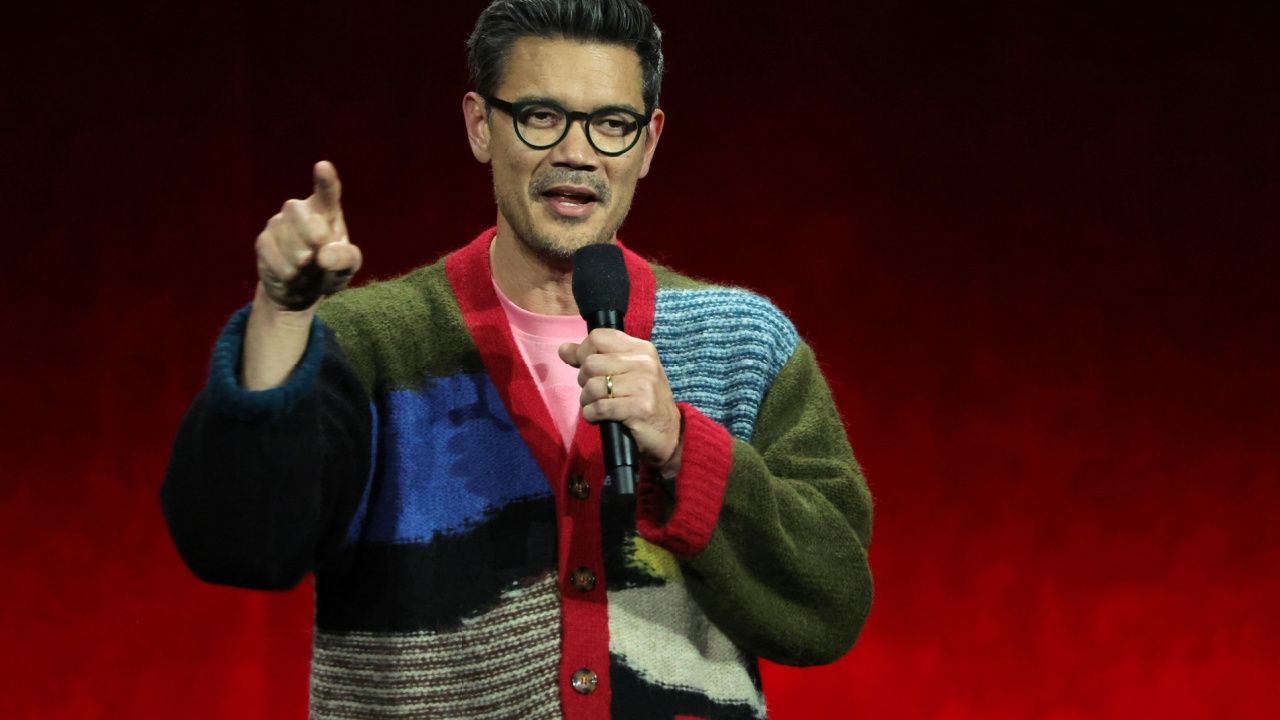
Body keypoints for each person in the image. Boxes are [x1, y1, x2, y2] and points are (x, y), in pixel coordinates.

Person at [161, 0, 874, 718]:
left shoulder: (743, 346)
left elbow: (830, 602)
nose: (578, 151)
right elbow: (238, 544)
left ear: (649, 142)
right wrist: (283, 315)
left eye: (611, 124)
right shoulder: (372, 346)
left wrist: (686, 448)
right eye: (541, 115)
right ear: (480, 125)